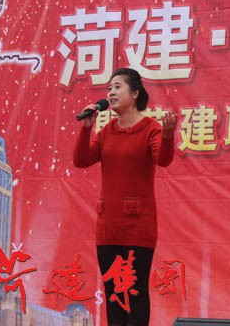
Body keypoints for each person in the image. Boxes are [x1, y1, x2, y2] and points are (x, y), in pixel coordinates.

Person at [73, 68, 178, 326]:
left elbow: (163, 159)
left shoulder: (150, 129)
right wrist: (86, 129)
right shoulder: (107, 131)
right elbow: (81, 160)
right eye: (109, 88)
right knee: (113, 293)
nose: (111, 93)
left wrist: (167, 137)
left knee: (135, 290)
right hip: (108, 225)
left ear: (135, 93)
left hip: (138, 225)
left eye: (117, 87)